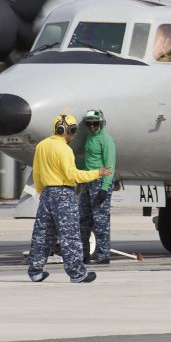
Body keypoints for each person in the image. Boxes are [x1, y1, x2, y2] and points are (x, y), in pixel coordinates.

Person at [27, 113, 111, 283]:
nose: (73, 135)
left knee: (42, 234)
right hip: (64, 194)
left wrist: (42, 191)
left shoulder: (42, 146)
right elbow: (72, 175)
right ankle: (77, 273)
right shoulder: (65, 149)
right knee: (70, 235)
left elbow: (36, 173)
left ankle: (35, 270)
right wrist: (97, 173)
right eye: (72, 130)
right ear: (63, 130)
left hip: (46, 194)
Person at [78, 108, 117, 265]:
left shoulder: (106, 140)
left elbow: (110, 165)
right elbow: (87, 161)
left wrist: (104, 188)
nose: (92, 126)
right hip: (88, 180)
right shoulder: (89, 137)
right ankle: (84, 254)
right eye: (89, 124)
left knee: (100, 221)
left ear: (101, 124)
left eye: (95, 123)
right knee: (83, 219)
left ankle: (103, 255)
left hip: (100, 182)